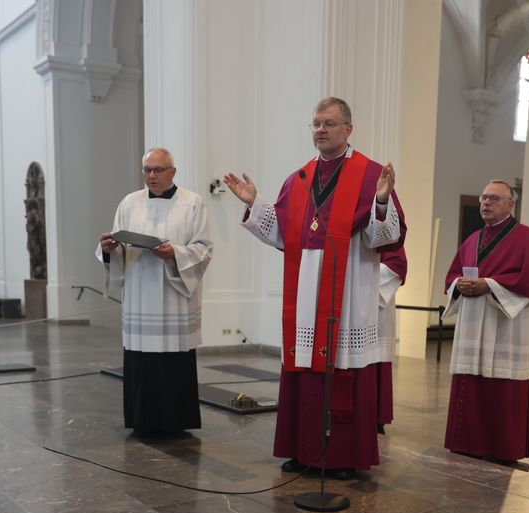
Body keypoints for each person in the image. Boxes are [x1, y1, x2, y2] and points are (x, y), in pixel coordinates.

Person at [224, 97, 405, 479]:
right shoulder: (300, 178)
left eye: (329, 123)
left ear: (348, 129)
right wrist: (256, 203)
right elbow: (282, 233)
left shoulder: (371, 175)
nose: (320, 130)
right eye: (316, 124)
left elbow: (384, 238)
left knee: (342, 369)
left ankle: (341, 458)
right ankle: (302, 449)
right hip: (306, 294)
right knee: (304, 368)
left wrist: (382, 200)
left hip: (348, 292)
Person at [98, 148, 212, 436]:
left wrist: (175, 253)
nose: (152, 176)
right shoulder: (129, 203)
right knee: (142, 360)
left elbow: (203, 249)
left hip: (173, 296)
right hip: (139, 294)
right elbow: (117, 242)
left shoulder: (193, 203)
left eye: (158, 170)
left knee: (173, 361)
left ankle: (175, 422)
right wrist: (109, 249)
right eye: (147, 170)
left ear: (173, 171)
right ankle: (142, 421)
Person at [442, 180, 529, 463]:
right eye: (483, 198)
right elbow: (452, 275)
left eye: (494, 198)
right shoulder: (472, 239)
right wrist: (459, 285)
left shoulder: (528, 237)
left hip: (504, 325)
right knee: (470, 381)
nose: (486, 203)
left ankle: (502, 447)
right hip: (473, 320)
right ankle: (467, 442)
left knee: (501, 386)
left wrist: (489, 285)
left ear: (510, 204)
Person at [377, 246, 408, 434]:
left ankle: (375, 417)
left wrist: (360, 275)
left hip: (375, 308)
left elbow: (397, 265)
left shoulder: (384, 228)